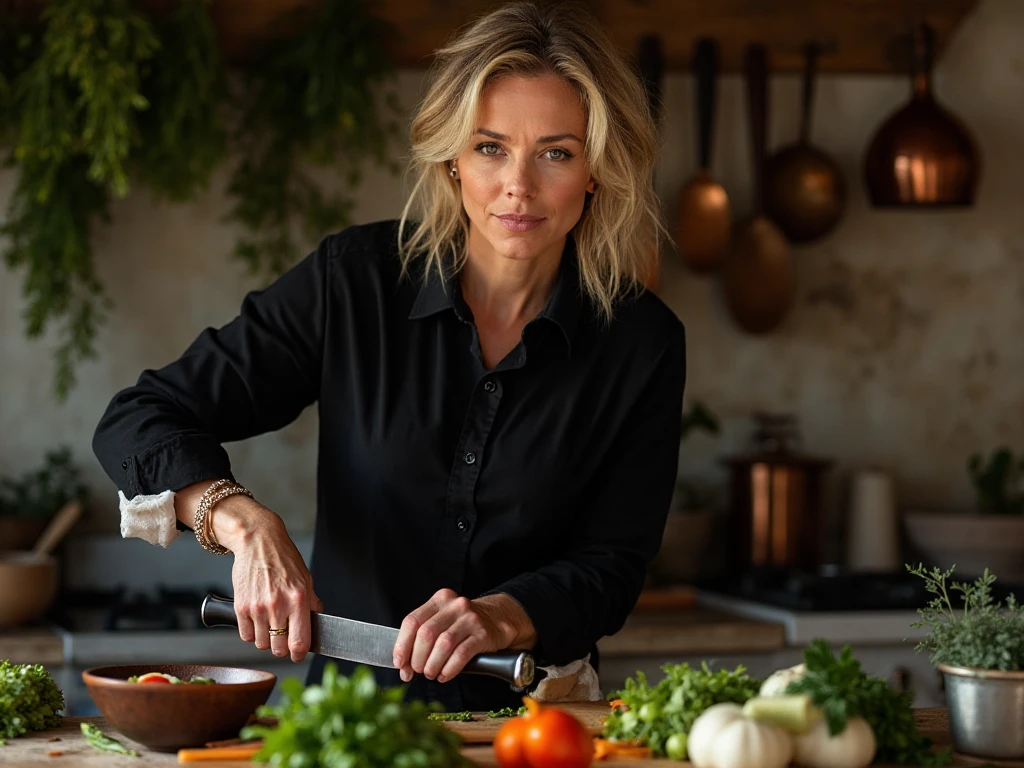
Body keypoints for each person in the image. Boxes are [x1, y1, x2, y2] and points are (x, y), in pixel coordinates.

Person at [92, 1, 686, 713]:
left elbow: (612, 567)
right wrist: (243, 523)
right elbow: (140, 418)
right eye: (490, 147)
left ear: (596, 169)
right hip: (349, 726)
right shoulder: (355, 282)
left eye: (556, 152)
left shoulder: (640, 341)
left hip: (540, 724)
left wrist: (504, 613)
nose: (517, 187)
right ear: (452, 159)